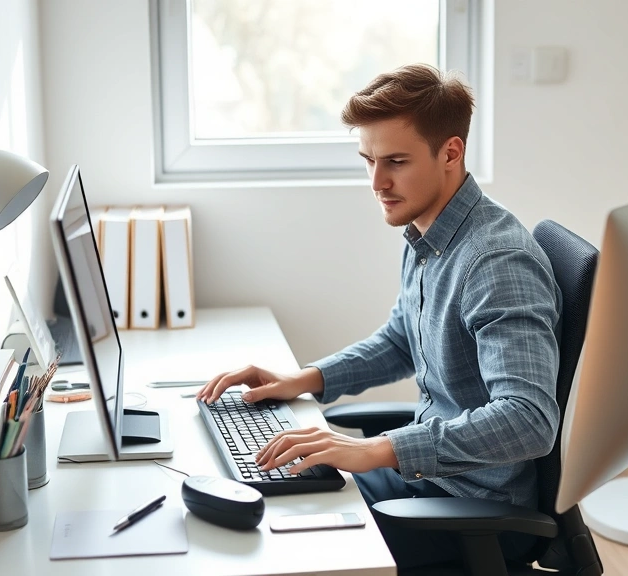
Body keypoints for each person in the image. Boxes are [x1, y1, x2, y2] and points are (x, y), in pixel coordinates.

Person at [196, 63, 562, 570]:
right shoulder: (427, 233)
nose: (377, 182)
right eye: (367, 159)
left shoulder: (496, 262)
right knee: (268, 498)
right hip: (428, 484)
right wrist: (303, 379)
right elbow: (400, 341)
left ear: (450, 152)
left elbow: (529, 421)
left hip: (473, 514)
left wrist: (378, 449)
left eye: (395, 161)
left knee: (278, 545)